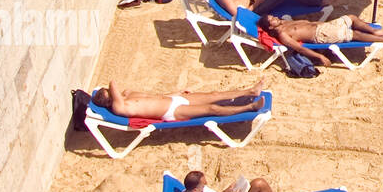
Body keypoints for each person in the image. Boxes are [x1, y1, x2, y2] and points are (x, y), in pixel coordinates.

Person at [259, 13, 383, 68]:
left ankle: (376, 31)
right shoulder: (283, 35)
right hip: (322, 35)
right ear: (270, 27)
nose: (275, 18)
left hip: (325, 26)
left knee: (352, 18)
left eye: (273, 16)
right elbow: (300, 49)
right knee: (353, 34)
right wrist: (320, 56)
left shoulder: (284, 23)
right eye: (272, 20)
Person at [91, 79, 265, 122]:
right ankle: (250, 107)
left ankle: (251, 90)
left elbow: (153, 98)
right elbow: (112, 82)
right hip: (171, 112)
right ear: (110, 100)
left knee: (213, 94)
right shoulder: (119, 107)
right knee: (212, 108)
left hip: (172, 99)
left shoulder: (128, 95)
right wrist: (109, 92)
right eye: (111, 95)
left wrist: (176, 92)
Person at [181, 169, 277, 192]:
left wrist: (227, 191)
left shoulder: (191, 191)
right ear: (195, 190)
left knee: (256, 183)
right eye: (204, 184)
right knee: (260, 184)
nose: (206, 185)